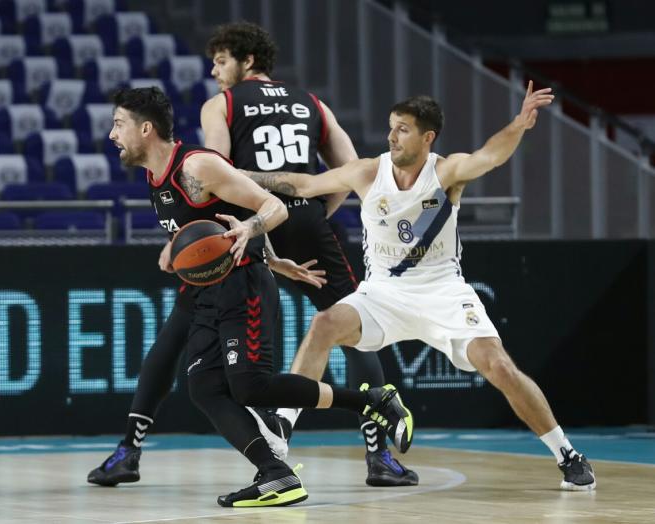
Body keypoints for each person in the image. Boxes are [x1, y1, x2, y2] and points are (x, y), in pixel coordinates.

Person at [247, 82, 597, 491]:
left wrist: (519, 125)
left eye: (403, 129)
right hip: (382, 294)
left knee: (500, 366)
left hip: (443, 291)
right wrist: (238, 174)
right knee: (324, 323)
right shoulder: (368, 171)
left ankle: (567, 454)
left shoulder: (445, 172)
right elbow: (303, 185)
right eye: (391, 128)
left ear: (427, 137)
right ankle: (282, 431)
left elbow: (491, 156)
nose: (392, 136)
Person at [90, 86, 414, 507]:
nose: (112, 134)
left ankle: (373, 401)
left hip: (243, 288)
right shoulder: (156, 176)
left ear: (145, 129)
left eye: (119, 124)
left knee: (250, 387)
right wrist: (273, 258)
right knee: (204, 387)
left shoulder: (197, 166)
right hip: (211, 290)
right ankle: (275, 474)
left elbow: (271, 208)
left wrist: (255, 240)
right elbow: (226, 226)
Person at [198, 21, 416, 487]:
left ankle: (274, 439)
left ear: (247, 60)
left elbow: (214, 173)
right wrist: (312, 211)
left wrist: (258, 221)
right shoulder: (312, 102)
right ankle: (379, 455)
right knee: (356, 329)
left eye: (220, 61)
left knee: (236, 350)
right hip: (311, 221)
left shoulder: (222, 104)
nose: (214, 71)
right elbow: (352, 167)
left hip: (252, 223)